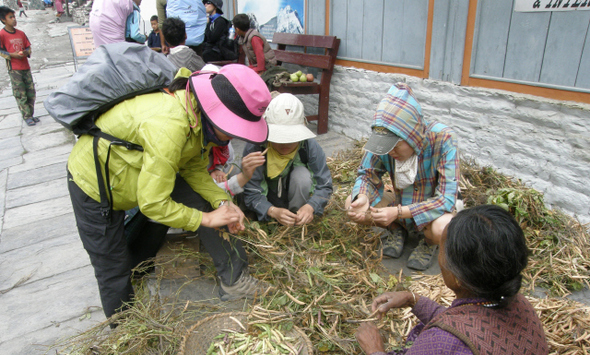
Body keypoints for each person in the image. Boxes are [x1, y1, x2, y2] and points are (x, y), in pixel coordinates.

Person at [301, 205, 549, 355]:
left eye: (442, 249)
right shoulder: (518, 304)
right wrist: (413, 299)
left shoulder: (443, 340)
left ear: (458, 277)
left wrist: (375, 352)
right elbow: (468, 328)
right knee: (420, 335)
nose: (439, 256)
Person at [66, 64, 272, 323]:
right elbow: (152, 203)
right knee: (113, 266)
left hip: (141, 173)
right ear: (216, 113)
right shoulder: (170, 125)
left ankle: (235, 281)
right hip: (95, 184)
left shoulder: (196, 115)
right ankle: (126, 335)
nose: (232, 137)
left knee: (208, 203)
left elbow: (194, 166)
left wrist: (223, 202)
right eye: (232, 130)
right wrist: (205, 219)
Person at [345, 83, 460, 271]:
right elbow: (366, 174)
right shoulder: (384, 142)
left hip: (431, 210)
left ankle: (429, 242)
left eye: (396, 146)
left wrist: (398, 212)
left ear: (412, 136)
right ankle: (396, 229)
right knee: (351, 203)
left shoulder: (443, 139)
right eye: (386, 146)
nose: (390, 152)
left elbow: (446, 199)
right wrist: (363, 197)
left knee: (443, 227)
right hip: (399, 202)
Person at [242, 93, 333, 226]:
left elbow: (324, 184)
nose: (285, 144)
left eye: (291, 138)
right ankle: (269, 220)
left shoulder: (308, 146)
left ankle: (295, 219)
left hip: (296, 196)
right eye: (279, 138)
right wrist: (271, 210)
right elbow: (251, 192)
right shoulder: (256, 148)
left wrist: (311, 206)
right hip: (268, 198)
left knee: (302, 176)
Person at [0, 6, 38, 127]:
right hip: (14, 69)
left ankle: (31, 114)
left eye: (14, 17)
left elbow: (28, 46)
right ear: (3, 19)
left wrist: (26, 52)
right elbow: (1, 51)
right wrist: (12, 55)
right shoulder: (2, 35)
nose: (14, 19)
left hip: (25, 66)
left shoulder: (21, 33)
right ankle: (26, 116)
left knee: (30, 91)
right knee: (20, 93)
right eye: (10, 17)